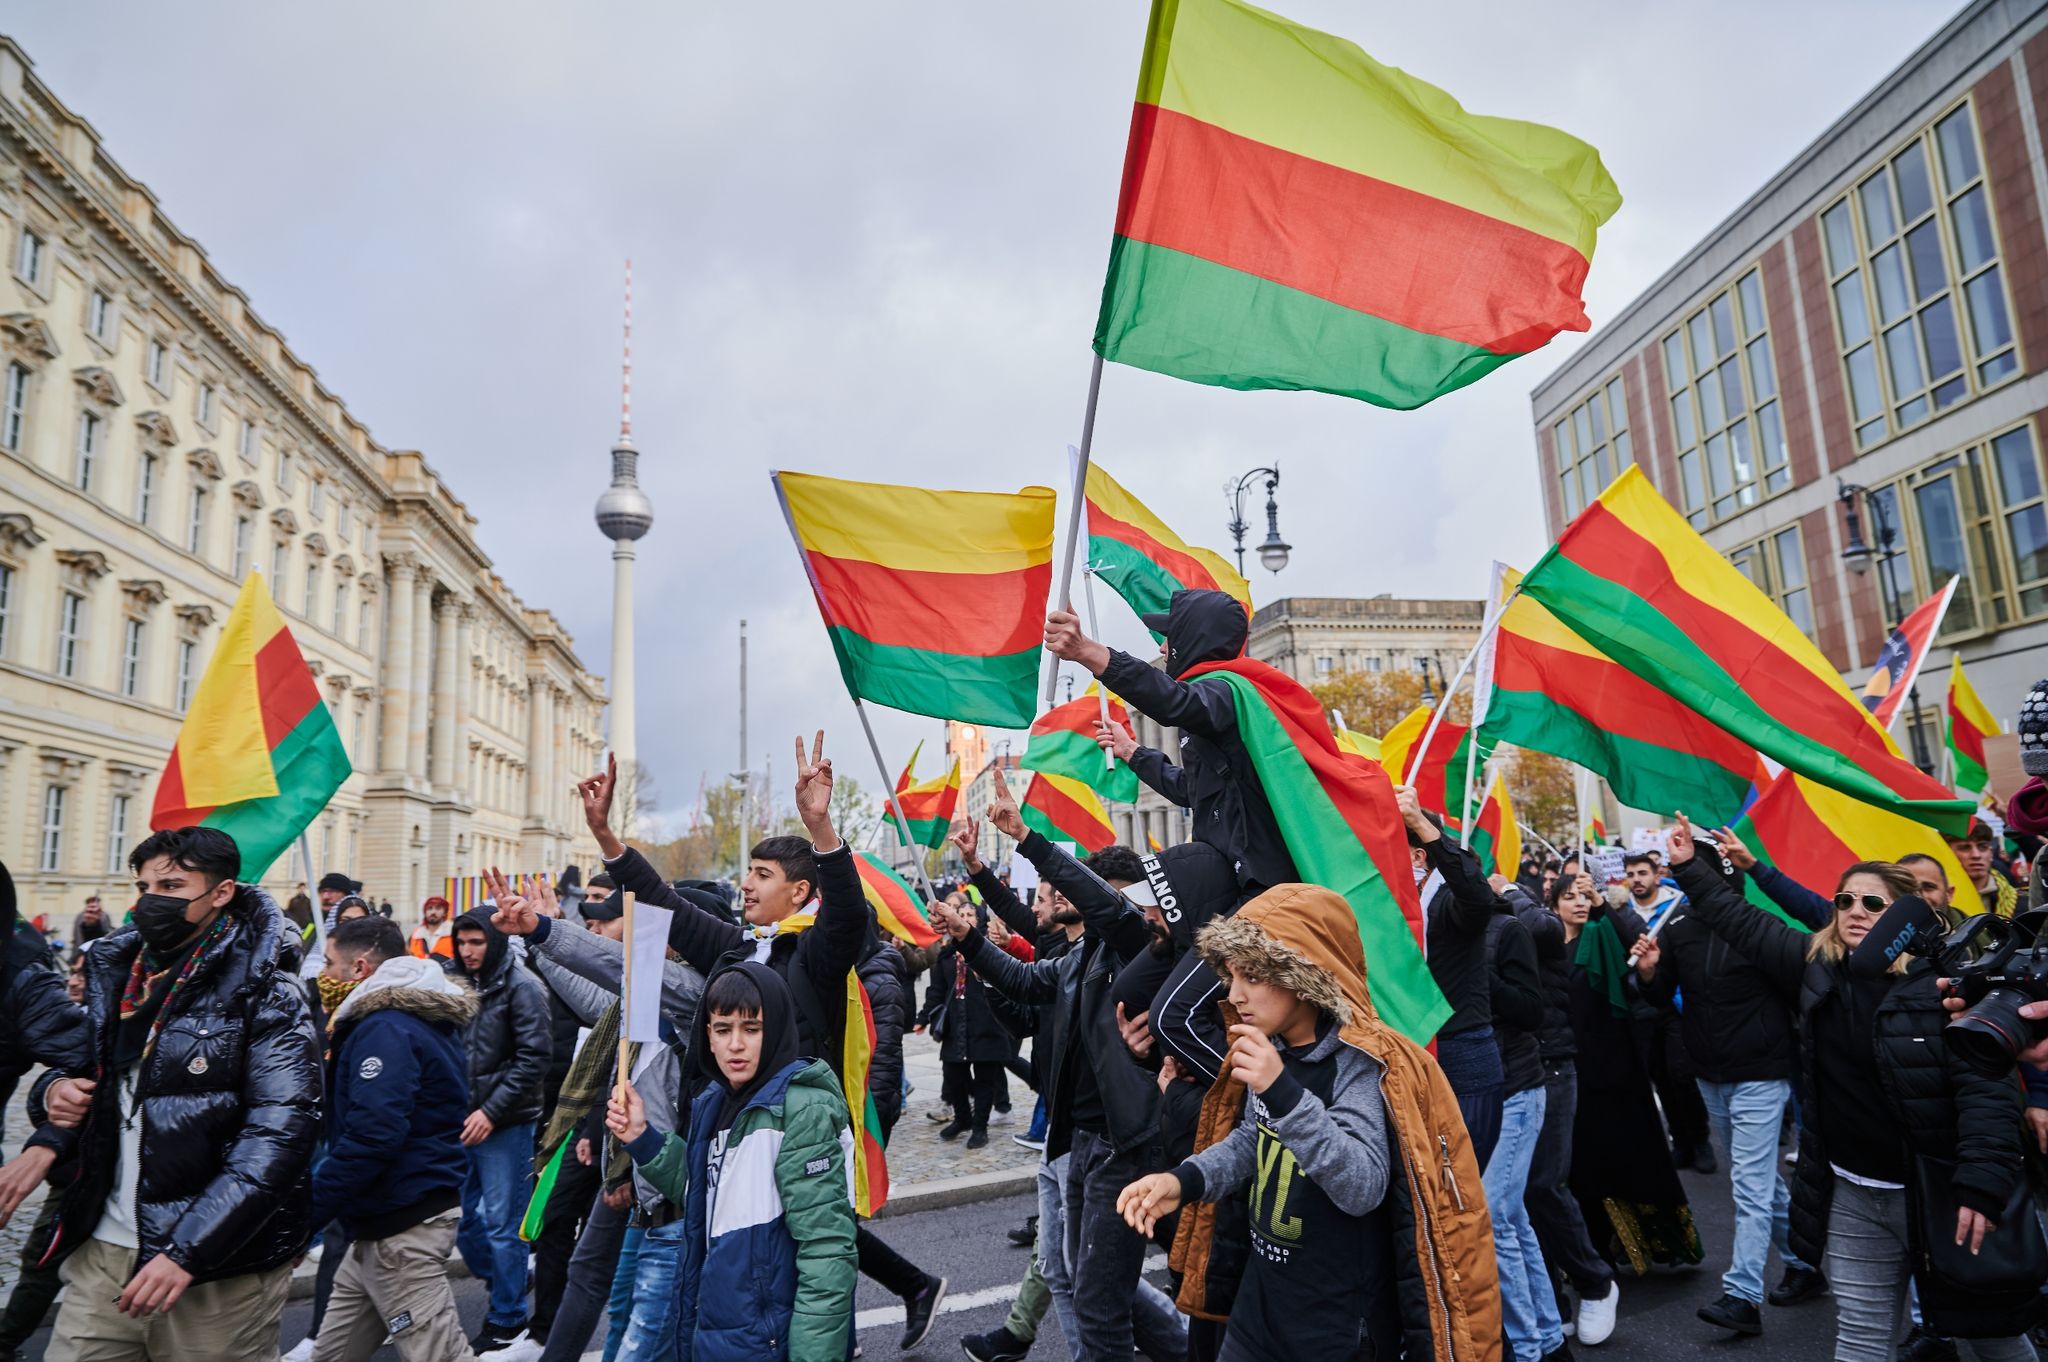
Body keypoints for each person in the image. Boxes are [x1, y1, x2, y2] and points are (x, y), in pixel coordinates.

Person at [578, 738, 948, 1350]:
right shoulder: (734, 946)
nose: (745, 885)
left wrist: (821, 826)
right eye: (747, 872)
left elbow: (849, 915)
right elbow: (663, 906)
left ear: (799, 892)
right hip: (726, 1127)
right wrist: (607, 838)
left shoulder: (813, 957)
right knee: (738, 1274)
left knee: (813, 1261)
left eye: (762, 875)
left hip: (789, 1130)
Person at [1663, 821, 2043, 1360]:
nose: (1856, 910)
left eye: (1873, 902)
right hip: (1853, 1195)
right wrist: (1687, 867)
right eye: (1845, 901)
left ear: (1909, 918)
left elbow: (1987, 1088)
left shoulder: (1947, 986)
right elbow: (1739, 919)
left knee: (1991, 1335)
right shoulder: (1817, 969)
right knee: (1860, 1334)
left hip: (1940, 1196)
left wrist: (1981, 1186)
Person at [1116, 882, 1501, 1362]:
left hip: (1336, 1324)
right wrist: (1184, 1180)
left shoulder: (1361, 1063)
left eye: (1252, 977)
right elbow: (1255, 1139)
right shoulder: (1271, 1046)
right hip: (1261, 1304)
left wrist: (1281, 1090)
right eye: (1230, 976)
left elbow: (1362, 1186)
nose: (1234, 994)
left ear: (1303, 975)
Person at [26, 826, 322, 1362]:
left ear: (222, 891)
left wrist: (187, 1251)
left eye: (170, 886)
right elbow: (86, 1074)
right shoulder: (118, 972)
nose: (150, 901)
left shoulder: (268, 990)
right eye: (143, 887)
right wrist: (53, 1091)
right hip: (106, 1253)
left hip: (217, 1272)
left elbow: (280, 1135)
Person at [928, 767, 1186, 1362]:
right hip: (1083, 1142)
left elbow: (1096, 903)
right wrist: (968, 938)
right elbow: (1023, 977)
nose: (1060, 894)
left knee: (1101, 1303)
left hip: (1128, 1143)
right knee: (1079, 1277)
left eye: (1092, 887)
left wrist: (1025, 837)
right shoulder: (1085, 954)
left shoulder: (1133, 944)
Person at [484, 867, 707, 1362]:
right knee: (602, 1286)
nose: (657, 941)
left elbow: (617, 969)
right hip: (628, 1163)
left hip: (661, 1178)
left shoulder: (691, 993)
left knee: (653, 1318)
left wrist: (546, 931)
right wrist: (543, 937)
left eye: (667, 931)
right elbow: (596, 991)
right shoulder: (644, 1000)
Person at [606, 962, 858, 1362]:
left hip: (770, 1340)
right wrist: (643, 1138)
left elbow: (826, 1252)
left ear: (774, 1029)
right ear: (707, 1035)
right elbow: (705, 1192)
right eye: (723, 1029)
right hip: (719, 1331)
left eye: (751, 1029)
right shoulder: (712, 1102)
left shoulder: (801, 1109)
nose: (735, 1045)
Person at [1634, 833, 1824, 1332]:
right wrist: (1651, 975)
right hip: (1710, 1076)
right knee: (1759, 1181)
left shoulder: (1758, 927)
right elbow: (1659, 999)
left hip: (1762, 1074)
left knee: (1749, 1184)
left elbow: (1800, 1000)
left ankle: (1742, 1296)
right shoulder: (1678, 928)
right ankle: (1805, 1264)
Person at [300, 915, 476, 1362]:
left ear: (359, 968)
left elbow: (375, 1134)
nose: (323, 975)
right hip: (379, 1223)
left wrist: (308, 1208)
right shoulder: (401, 1019)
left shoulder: (387, 1028)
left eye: (329, 963)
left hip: (402, 1227)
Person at [1050, 590, 1297, 891]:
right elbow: (1192, 791)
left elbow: (1175, 703)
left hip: (1259, 885)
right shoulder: (1215, 697)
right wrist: (1131, 751)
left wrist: (1089, 651)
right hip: (1234, 878)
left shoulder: (1229, 692)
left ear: (1192, 641)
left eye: (1169, 637)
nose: (1163, 648)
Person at [1550, 872, 1702, 1282]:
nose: (1579, 903)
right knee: (1582, 1163)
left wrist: (1601, 902)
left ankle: (1651, 1242)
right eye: (1570, 898)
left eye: (1584, 896)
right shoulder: (1545, 945)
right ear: (1554, 906)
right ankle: (1597, 1247)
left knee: (1630, 1153)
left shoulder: (1601, 935)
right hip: (1570, 1068)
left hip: (1618, 1067)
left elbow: (1627, 944)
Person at [1497, 874, 1620, 1347]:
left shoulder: (1536, 925)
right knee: (1517, 1200)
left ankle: (1596, 1281)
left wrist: (1507, 891)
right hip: (1510, 1070)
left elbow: (1539, 928)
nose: (1578, 904)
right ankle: (1553, 1300)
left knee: (1543, 1184)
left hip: (1552, 1069)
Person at [449, 907, 552, 1353]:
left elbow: (534, 1058)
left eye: (477, 942)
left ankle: (507, 1317)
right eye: (462, 942)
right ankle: (510, 1280)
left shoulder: (522, 986)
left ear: (494, 941)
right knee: (465, 1224)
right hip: (460, 1121)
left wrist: (490, 1111)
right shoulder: (452, 982)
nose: (468, 951)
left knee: (502, 1225)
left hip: (505, 1123)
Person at [1397, 785, 1511, 1171]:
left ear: (1418, 855)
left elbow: (1478, 897)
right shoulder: (1396, 906)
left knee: (1462, 1187)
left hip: (1462, 1056)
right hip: (1411, 1055)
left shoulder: (1446, 901)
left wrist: (1420, 823)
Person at [1483, 899, 1567, 1362]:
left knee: (1497, 1219)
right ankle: (1549, 1340)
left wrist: (1479, 975)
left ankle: (1528, 1348)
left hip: (1516, 1090)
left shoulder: (1506, 927)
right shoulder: (1422, 930)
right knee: (1511, 1219)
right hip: (1476, 1095)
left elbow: (1532, 1009)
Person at [1616, 851, 1714, 1174]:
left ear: (1657, 875)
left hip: (1673, 1004)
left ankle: (1701, 1141)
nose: (1636, 880)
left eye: (1642, 873)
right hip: (1639, 1006)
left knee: (1682, 1075)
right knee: (1660, 1077)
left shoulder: (1676, 907)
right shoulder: (1621, 911)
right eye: (1630, 874)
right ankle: (1681, 1142)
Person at [920, 895, 1017, 1148]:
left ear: (980, 921)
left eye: (969, 915)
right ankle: (962, 1118)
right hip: (956, 1024)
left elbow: (1009, 982)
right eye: (960, 915)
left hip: (987, 1023)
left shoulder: (992, 951)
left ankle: (979, 1127)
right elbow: (937, 991)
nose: (964, 919)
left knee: (985, 1080)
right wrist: (923, 1016)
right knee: (954, 1076)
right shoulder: (946, 955)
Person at [1946, 820, 2018, 919]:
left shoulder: (2019, 902)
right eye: (1965, 848)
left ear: (1991, 852)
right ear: (1947, 853)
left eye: (1982, 847)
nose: (1976, 855)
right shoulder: (1938, 901)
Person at [1896, 854, 1955, 919]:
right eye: (1907, 888)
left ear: (1948, 894)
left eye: (1928, 887)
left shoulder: (1967, 927)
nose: (1919, 896)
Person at [411, 896, 456, 961]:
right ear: (425, 912)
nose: (433, 912)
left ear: (445, 912)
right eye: (429, 908)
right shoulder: (417, 933)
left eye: (438, 908)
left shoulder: (453, 931)